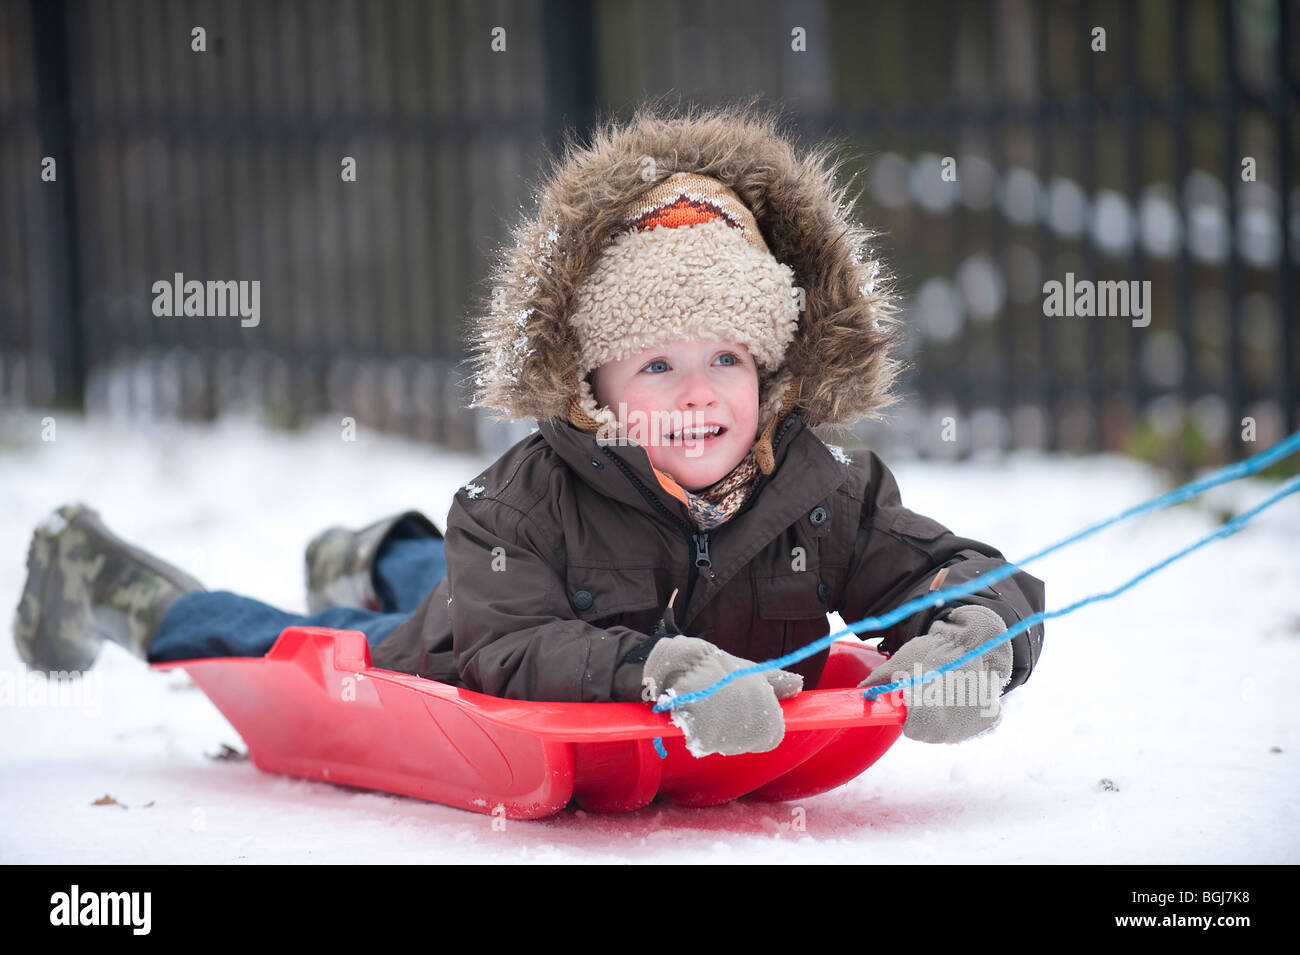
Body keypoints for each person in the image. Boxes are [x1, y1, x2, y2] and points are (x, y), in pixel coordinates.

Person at [13, 99, 1044, 756]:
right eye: (656, 362)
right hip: (461, 643)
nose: (698, 393)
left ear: (770, 370)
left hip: (502, 585)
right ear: (593, 387)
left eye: (727, 357)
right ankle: (100, 569)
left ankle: (382, 549)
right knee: (297, 642)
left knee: (469, 573)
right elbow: (507, 641)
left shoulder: (820, 494)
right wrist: (656, 671)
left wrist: (972, 633)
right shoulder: (522, 500)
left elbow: (952, 569)